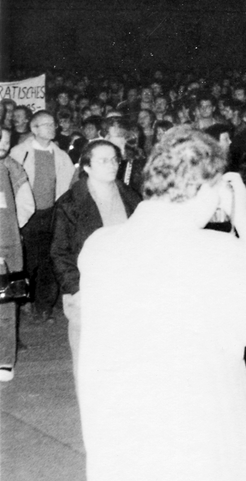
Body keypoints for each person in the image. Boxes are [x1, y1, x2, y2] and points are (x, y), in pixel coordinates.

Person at [77, 127, 246, 480]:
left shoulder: (100, 246)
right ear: (206, 186)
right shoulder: (213, 254)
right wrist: (244, 218)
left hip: (122, 445)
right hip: (198, 448)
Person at [52, 140, 141, 374]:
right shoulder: (70, 203)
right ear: (87, 167)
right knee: (89, 363)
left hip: (126, 289)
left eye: (114, 159)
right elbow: (60, 252)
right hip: (87, 290)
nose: (112, 165)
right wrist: (76, 290)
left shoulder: (131, 196)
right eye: (103, 160)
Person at [10, 111, 76, 323]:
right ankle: (22, 303)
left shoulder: (61, 155)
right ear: (34, 129)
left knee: (49, 261)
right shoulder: (19, 153)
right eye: (46, 125)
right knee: (26, 261)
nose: (52, 128)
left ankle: (44, 306)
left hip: (52, 214)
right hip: (27, 216)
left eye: (52, 124)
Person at [0, 129, 30, 382]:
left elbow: (13, 211)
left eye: (6, 141)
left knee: (5, 305)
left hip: (4, 247)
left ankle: (5, 359)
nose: (3, 145)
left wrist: (6, 245)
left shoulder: (8, 169)